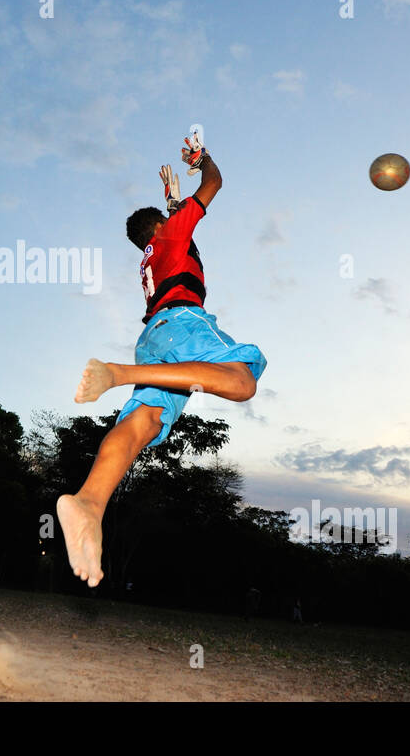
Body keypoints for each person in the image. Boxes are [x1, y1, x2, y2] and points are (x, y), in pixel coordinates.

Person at [57, 133, 267, 587]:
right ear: (160, 226)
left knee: (143, 424)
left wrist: (171, 202)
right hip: (182, 325)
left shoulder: (152, 255)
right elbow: (215, 183)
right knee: (241, 380)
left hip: (152, 337)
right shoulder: (171, 233)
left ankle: (89, 504)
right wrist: (203, 158)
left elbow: (178, 230)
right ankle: (118, 374)